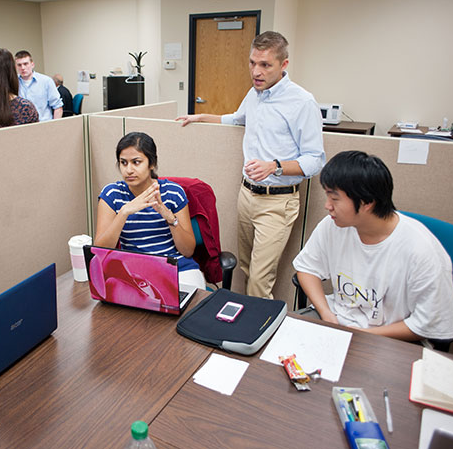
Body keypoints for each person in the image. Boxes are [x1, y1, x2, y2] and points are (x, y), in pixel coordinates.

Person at [176, 31, 325, 299]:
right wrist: (200, 117)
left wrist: (274, 166)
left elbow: (315, 160)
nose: (256, 71)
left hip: (277, 203)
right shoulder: (255, 93)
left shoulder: (302, 102)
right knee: (246, 268)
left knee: (259, 280)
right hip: (247, 195)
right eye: (252, 63)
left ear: (284, 65)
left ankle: (259, 335)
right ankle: (247, 324)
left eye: (265, 65)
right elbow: (237, 119)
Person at [293, 151, 453, 341]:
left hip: (388, 337)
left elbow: (427, 324)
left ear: (367, 202)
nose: (327, 206)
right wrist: (326, 313)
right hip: (338, 321)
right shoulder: (333, 225)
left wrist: (360, 336)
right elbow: (306, 268)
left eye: (334, 198)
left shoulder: (421, 250)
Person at [94, 132, 206, 290]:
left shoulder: (173, 192)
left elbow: (187, 251)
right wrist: (124, 212)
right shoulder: (112, 194)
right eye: (123, 163)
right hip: (134, 271)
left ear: (151, 163)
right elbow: (100, 250)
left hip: (177, 268)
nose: (129, 170)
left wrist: (170, 218)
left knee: (187, 309)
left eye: (136, 162)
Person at [14, 50, 63, 121]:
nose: (23, 68)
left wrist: (55, 127)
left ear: (32, 64)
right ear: (15, 67)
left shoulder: (46, 81)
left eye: (25, 64)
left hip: (43, 125)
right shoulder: (12, 83)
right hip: (22, 127)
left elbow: (58, 107)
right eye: (19, 65)